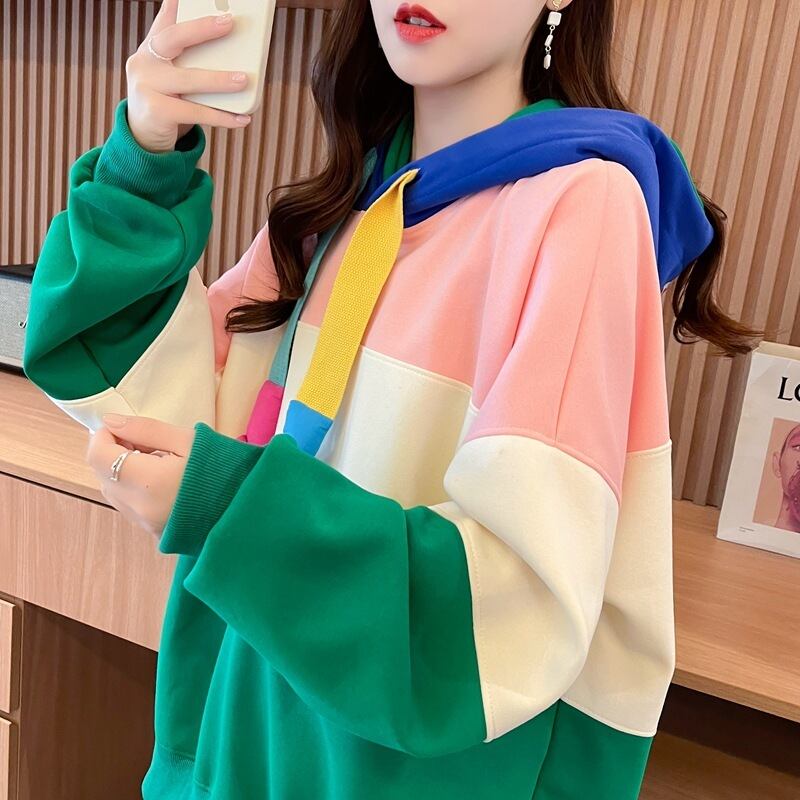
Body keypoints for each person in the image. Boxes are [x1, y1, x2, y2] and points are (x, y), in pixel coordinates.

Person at [23, 0, 763, 797]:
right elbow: (153, 405)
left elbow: (517, 602)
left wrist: (236, 507)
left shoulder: (582, 208)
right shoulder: (355, 206)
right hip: (258, 727)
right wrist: (143, 160)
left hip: (409, 768)